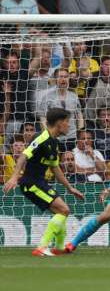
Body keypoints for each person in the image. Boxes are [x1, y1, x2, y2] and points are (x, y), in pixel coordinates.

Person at [2, 108, 84, 256]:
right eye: (67, 122)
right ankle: (42, 247)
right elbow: (23, 156)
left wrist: (70, 188)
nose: (69, 125)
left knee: (63, 211)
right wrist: (14, 177)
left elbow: (55, 168)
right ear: (59, 123)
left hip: (40, 183)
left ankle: (58, 248)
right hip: (31, 184)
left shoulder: (54, 143)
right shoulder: (41, 137)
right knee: (64, 210)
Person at [36, 68, 84, 151]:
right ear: (55, 79)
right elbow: (42, 119)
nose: (63, 79)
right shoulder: (47, 98)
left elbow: (79, 117)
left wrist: (80, 135)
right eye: (60, 77)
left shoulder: (74, 96)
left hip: (73, 138)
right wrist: (50, 136)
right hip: (55, 138)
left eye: (65, 77)